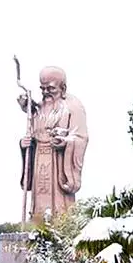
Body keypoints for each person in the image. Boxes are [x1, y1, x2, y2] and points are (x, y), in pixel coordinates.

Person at [17, 66, 89, 223]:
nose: (45, 92)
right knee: (39, 206)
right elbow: (33, 132)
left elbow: (81, 137)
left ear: (62, 87)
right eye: (42, 88)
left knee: (59, 209)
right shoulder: (38, 108)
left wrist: (66, 142)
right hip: (39, 162)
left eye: (51, 88)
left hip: (58, 163)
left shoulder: (73, 106)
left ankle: (60, 227)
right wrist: (26, 145)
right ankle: (36, 224)